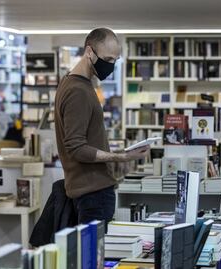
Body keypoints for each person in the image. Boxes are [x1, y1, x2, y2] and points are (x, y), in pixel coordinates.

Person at [54, 28, 149, 227]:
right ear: (89, 51)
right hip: (93, 194)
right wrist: (121, 156)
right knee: (94, 257)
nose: (111, 65)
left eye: (116, 60)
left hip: (90, 192)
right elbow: (76, 147)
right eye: (107, 59)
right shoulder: (77, 91)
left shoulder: (74, 83)